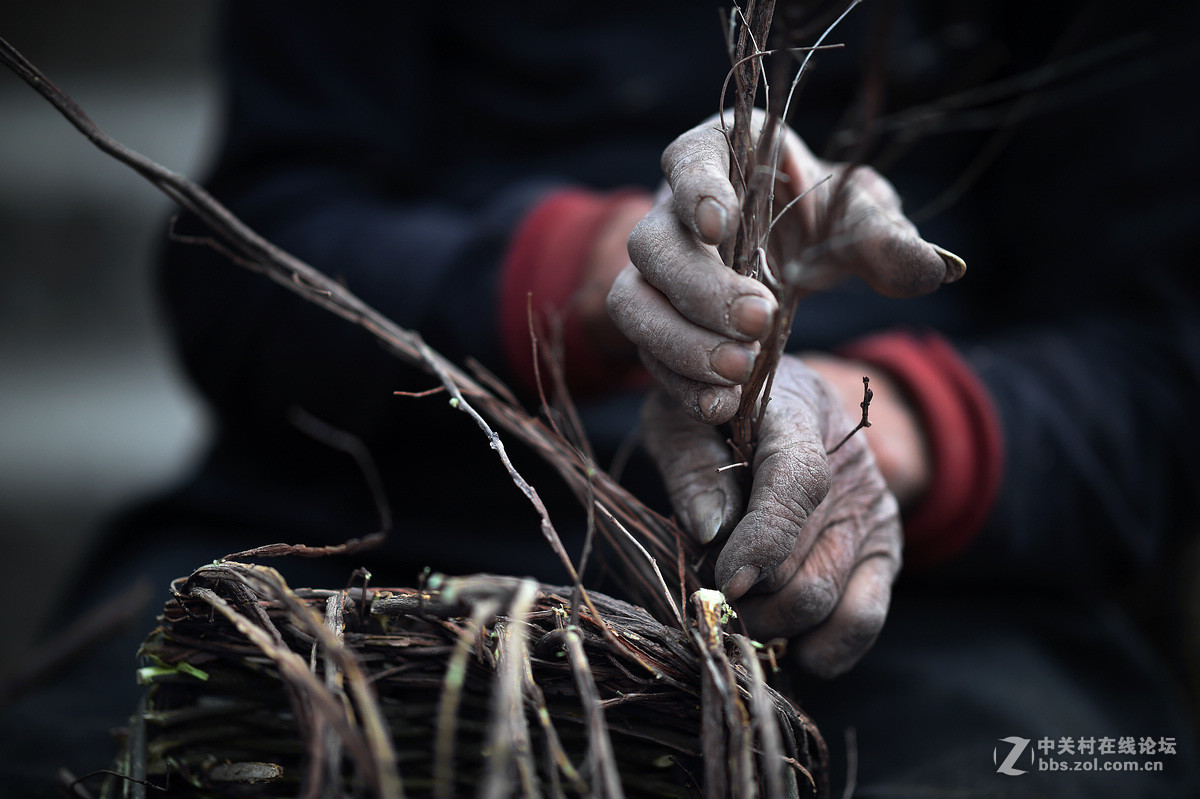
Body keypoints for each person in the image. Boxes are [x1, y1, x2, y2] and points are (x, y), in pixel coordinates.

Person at [3, 0, 1198, 796]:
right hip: (371, 520)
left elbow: (1153, 370)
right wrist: (596, 280)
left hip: (913, 598)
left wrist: (864, 427)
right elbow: (242, 256)